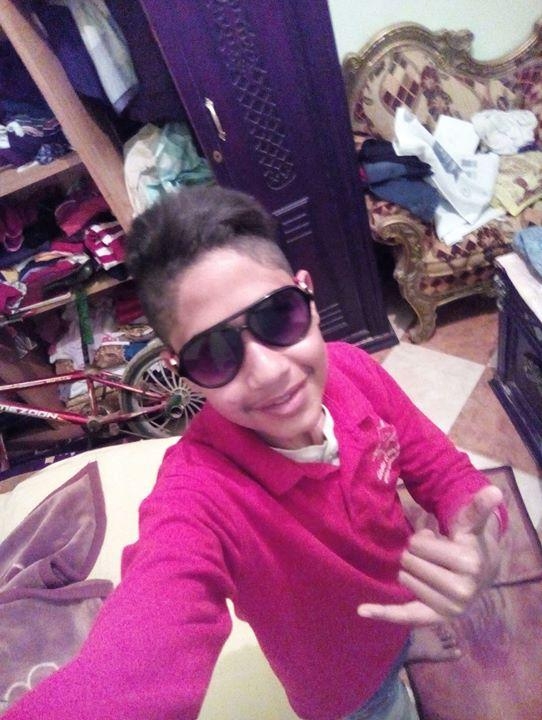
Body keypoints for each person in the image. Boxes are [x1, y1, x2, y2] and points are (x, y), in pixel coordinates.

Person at [4, 185, 506, 720]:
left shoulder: (354, 370)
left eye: (278, 316)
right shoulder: (199, 496)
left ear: (307, 295)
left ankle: (408, 643)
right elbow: (148, 643)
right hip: (345, 685)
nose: (268, 373)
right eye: (214, 353)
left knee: (404, 638)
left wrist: (482, 542)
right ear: (181, 371)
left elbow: (444, 472)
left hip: (404, 602)